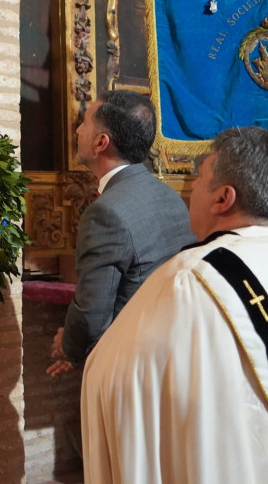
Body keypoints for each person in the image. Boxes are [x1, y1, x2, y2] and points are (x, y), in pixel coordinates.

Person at [82, 126, 268, 484]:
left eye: (198, 177)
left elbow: (111, 376)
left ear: (223, 199)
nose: (189, 189)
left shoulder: (189, 277)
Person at [48, 90, 194, 378]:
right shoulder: (171, 197)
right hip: (174, 358)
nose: (78, 129)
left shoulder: (107, 213)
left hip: (131, 367)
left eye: (85, 123)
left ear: (101, 142)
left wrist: (69, 347)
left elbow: (92, 313)